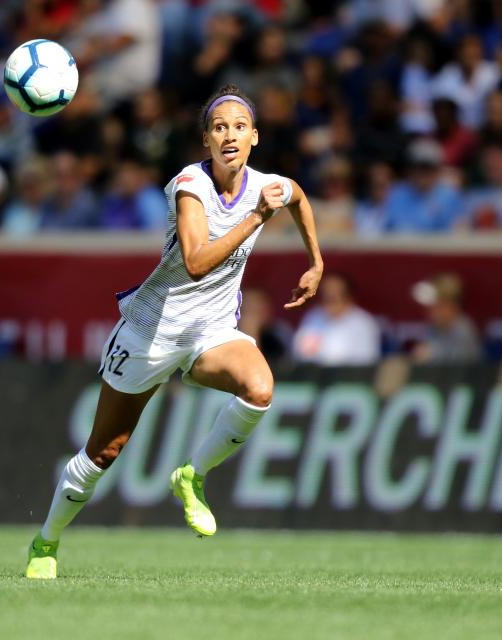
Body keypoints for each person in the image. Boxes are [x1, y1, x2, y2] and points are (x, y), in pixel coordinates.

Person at [26, 85, 323, 579]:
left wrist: (316, 261)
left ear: (255, 137)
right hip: (151, 330)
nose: (229, 134)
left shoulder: (268, 184)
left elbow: (297, 197)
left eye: (239, 126)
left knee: (260, 388)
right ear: (206, 139)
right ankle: (46, 542)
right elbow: (195, 262)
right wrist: (256, 218)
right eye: (219, 127)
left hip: (210, 330)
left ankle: (192, 475)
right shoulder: (190, 185)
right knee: (104, 451)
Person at [292, 273, 380, 366]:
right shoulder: (313, 318)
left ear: (349, 296)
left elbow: (366, 363)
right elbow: (299, 356)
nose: (330, 298)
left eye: (335, 295)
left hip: (349, 377)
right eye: (326, 294)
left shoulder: (364, 323)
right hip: (316, 376)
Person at [410, 273, 481, 364]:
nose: (430, 309)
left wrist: (430, 355)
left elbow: (458, 370)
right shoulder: (433, 327)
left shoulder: (464, 331)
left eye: (437, 304)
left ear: (449, 305)